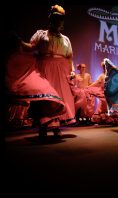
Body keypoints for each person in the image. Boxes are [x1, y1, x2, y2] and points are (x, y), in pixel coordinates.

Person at [20, 4, 76, 136]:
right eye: (56, 18)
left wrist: (72, 71)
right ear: (51, 19)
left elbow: (69, 57)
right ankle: (44, 126)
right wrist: (19, 42)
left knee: (59, 97)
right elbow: (31, 47)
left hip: (60, 71)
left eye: (61, 18)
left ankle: (56, 127)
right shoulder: (42, 34)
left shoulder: (65, 39)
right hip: (44, 68)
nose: (58, 21)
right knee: (46, 97)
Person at [5, 32, 65, 138]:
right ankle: (45, 128)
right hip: (30, 81)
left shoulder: (30, 52)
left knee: (50, 96)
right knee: (43, 98)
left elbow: (32, 47)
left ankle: (54, 127)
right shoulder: (14, 57)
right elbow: (13, 73)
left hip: (37, 77)